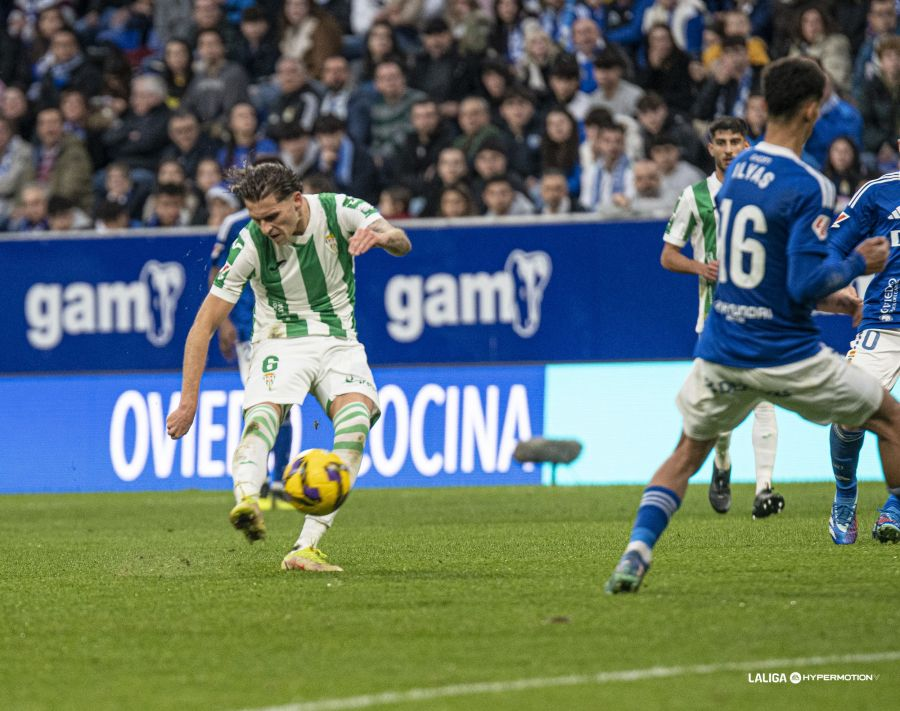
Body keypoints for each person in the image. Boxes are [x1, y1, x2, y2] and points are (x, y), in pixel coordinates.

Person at [605, 57, 900, 594]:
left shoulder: (733, 172)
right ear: (812, 109)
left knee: (685, 455)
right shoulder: (806, 182)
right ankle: (889, 509)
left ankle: (635, 553)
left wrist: (836, 301)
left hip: (722, 345)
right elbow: (805, 282)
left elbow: (776, 271)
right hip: (786, 352)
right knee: (892, 421)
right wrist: (860, 264)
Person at [167, 162, 412, 572]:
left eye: (272, 217)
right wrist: (187, 401)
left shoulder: (339, 210)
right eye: (256, 219)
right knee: (263, 418)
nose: (265, 228)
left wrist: (383, 237)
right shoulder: (248, 241)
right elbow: (203, 325)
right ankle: (247, 499)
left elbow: (402, 241)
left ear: (297, 201)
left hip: (339, 343)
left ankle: (305, 547)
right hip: (280, 339)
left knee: (355, 423)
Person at [660, 116, 784, 517]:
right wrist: (701, 268)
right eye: (722, 142)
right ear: (710, 148)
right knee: (724, 412)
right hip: (715, 320)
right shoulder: (694, 196)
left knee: (765, 400)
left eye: (736, 141)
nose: (729, 149)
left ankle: (764, 487)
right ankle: (722, 464)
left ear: (748, 146)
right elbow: (668, 255)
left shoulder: (767, 193)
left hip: (762, 315)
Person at [825, 142, 900, 545]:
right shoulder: (878, 192)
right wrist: (838, 284)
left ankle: (895, 508)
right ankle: (845, 494)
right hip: (884, 323)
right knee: (849, 412)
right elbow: (835, 246)